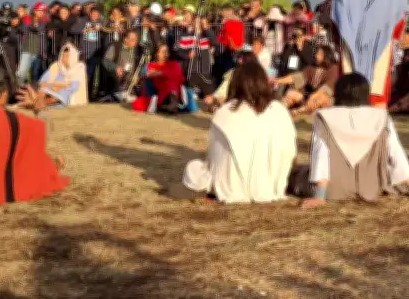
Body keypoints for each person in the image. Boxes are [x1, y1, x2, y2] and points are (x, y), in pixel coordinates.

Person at [297, 73, 409, 208]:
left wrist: (320, 196)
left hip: (333, 190)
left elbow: (320, 154)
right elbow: (396, 154)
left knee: (297, 172)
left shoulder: (323, 117)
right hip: (372, 186)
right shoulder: (381, 116)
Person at [179, 62, 297, 203]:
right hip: (272, 184)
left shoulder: (225, 112)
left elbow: (214, 160)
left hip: (229, 185)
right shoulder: (279, 110)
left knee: (193, 168)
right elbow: (290, 153)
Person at [331, 0, 409, 106]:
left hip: (350, 45)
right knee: (376, 97)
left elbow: (335, 20)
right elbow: (400, 20)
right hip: (380, 45)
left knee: (349, 96)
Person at [0, 68, 70, 204]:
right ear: (4, 94)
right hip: (3, 191)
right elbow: (42, 136)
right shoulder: (19, 122)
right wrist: (38, 107)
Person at [276, 45, 339, 117]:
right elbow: (296, 78)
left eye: (319, 54)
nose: (316, 56)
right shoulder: (311, 67)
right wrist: (277, 80)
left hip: (324, 99)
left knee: (321, 98)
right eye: (317, 53)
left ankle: (298, 111)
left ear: (326, 56)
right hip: (308, 98)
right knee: (292, 93)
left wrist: (313, 96)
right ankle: (280, 109)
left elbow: (327, 88)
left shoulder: (334, 68)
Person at [131, 44, 185, 114]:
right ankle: (166, 106)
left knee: (172, 84)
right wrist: (160, 73)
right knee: (138, 103)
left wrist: (160, 73)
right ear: (157, 54)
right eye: (163, 52)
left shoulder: (174, 64)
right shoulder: (151, 65)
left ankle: (171, 104)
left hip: (175, 93)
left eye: (167, 52)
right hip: (160, 93)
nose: (165, 54)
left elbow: (180, 77)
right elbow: (145, 75)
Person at [37, 43, 88, 107]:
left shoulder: (79, 68)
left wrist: (57, 85)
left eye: (67, 56)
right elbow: (42, 82)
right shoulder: (56, 66)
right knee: (42, 89)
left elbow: (73, 86)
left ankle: (38, 103)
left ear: (73, 56)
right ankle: (37, 103)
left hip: (66, 95)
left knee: (62, 93)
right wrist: (56, 85)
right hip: (51, 91)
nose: (64, 58)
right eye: (63, 55)